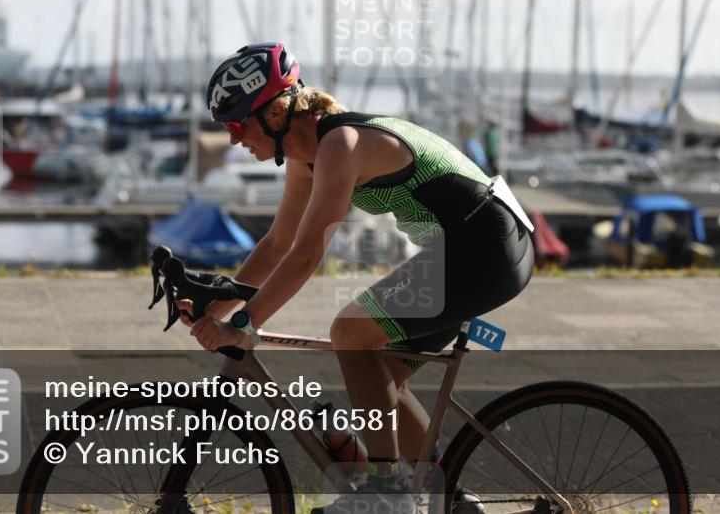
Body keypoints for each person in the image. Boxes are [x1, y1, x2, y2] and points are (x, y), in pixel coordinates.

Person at [186, 42, 534, 514]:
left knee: (349, 330)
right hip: (473, 248)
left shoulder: (340, 143)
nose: (231, 139)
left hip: (487, 246)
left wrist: (246, 325)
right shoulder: (308, 160)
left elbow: (309, 251)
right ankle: (446, 500)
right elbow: (277, 244)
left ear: (274, 113)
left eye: (235, 124)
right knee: (381, 383)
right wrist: (214, 308)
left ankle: (385, 494)